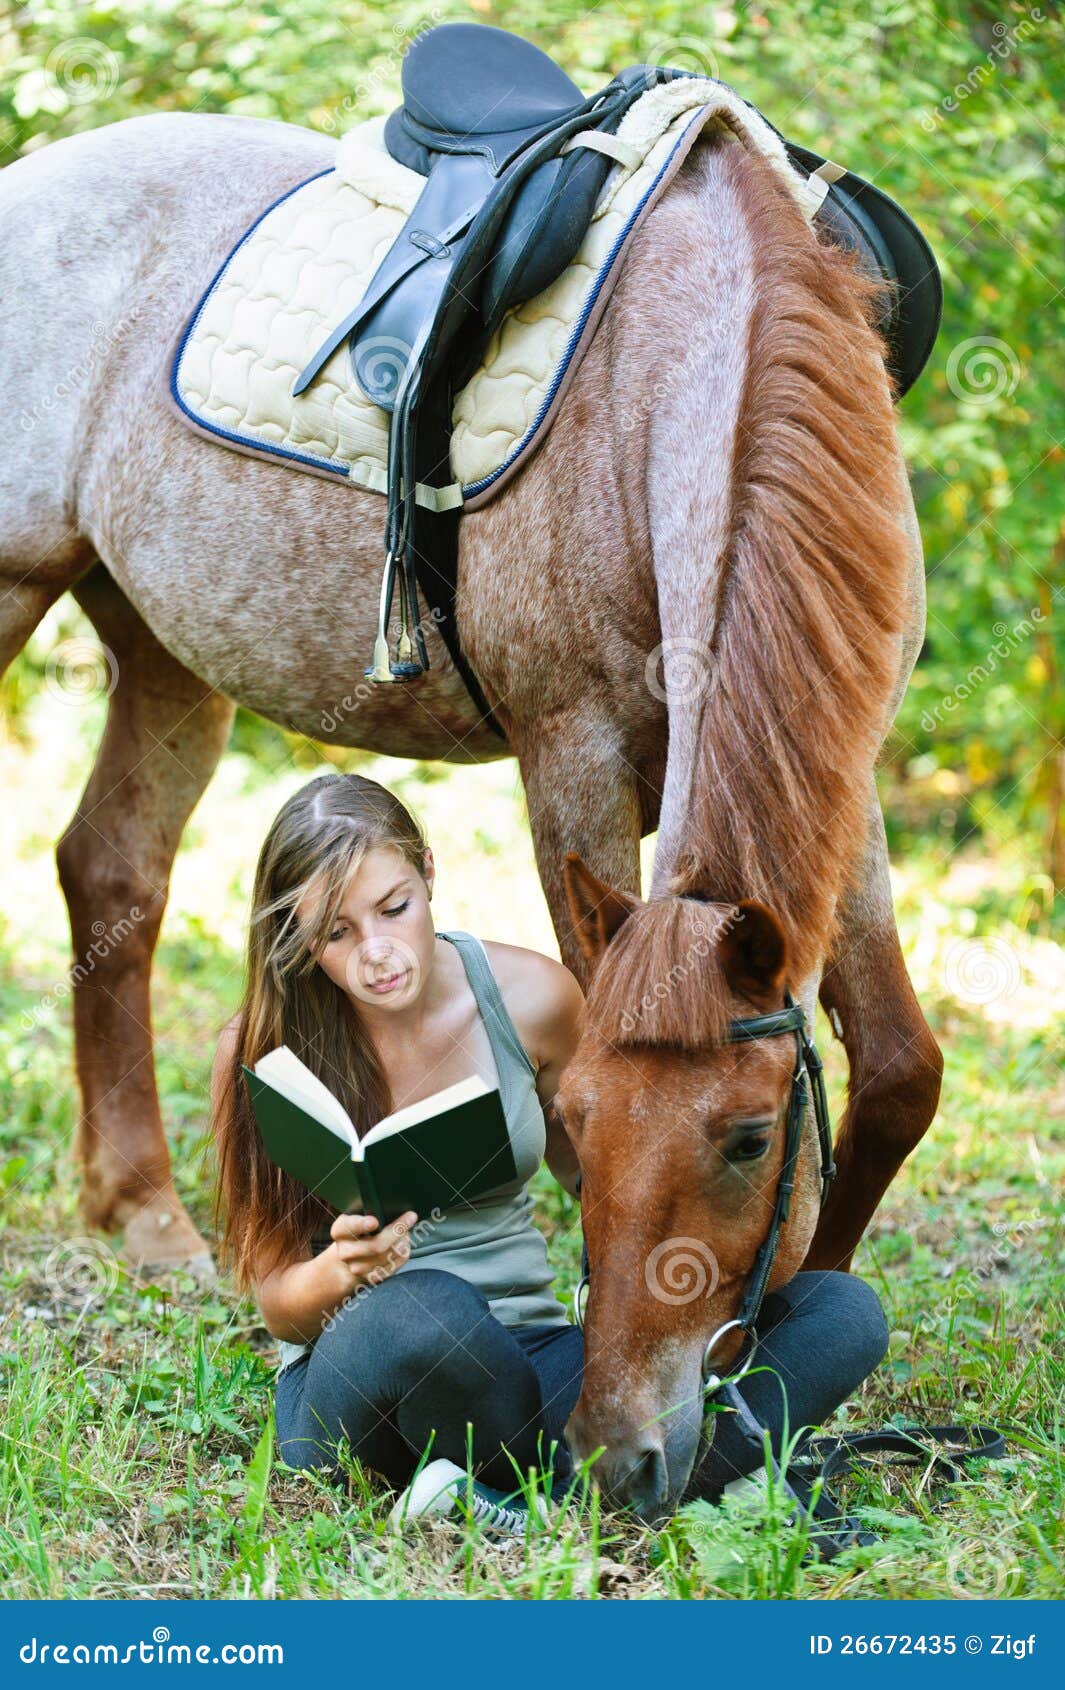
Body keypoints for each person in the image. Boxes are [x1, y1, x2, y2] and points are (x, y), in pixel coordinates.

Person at [210, 771, 889, 1535]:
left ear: (428, 873)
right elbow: (278, 1305)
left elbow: (602, 1183)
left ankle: (517, 1503)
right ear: (297, 940)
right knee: (431, 1311)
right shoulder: (265, 1049)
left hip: (530, 1357)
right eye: (334, 933)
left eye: (394, 909)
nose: (377, 952)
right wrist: (341, 1274)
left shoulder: (529, 995)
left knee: (840, 1312)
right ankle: (699, 1488)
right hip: (366, 1369)